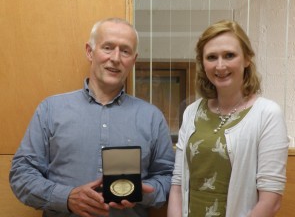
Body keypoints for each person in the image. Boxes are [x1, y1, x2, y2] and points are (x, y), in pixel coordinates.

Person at [9, 17, 175, 217]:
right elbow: (22, 174)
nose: (115, 58)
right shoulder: (50, 110)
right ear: (90, 51)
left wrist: (139, 192)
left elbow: (168, 179)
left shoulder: (151, 118)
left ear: (133, 60)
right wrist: (66, 197)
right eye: (107, 47)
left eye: (125, 51)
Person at [167, 20, 289, 217]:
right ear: (203, 63)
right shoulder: (191, 112)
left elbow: (271, 201)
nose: (220, 65)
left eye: (229, 55)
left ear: (247, 58)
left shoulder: (267, 114)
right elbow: (177, 184)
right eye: (211, 57)